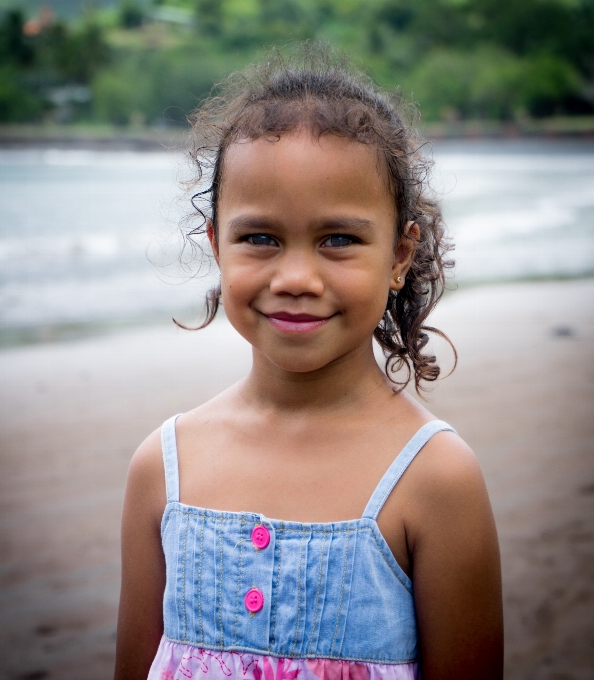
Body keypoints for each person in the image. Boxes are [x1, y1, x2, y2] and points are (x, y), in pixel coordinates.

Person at [114, 46, 503, 680]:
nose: (296, 277)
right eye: (261, 238)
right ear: (217, 244)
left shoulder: (437, 480)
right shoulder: (162, 469)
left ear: (401, 255)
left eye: (339, 240)